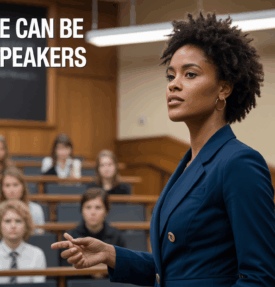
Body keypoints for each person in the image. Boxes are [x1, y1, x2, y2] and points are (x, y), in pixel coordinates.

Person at [51, 12, 275, 287]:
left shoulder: (239, 163)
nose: (173, 84)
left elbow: (260, 278)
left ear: (224, 88)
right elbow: (173, 272)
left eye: (190, 74)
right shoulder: (186, 166)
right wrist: (111, 254)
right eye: (171, 75)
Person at [0, 200, 46, 284]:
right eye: (7, 221)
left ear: (26, 225)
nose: (13, 226)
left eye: (18, 221)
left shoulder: (37, 254)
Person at [0, 167, 45, 235]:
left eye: (15, 185)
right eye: (7, 185)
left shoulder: (36, 209)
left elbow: (39, 237)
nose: (11, 190)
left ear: (23, 187)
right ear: (2, 189)